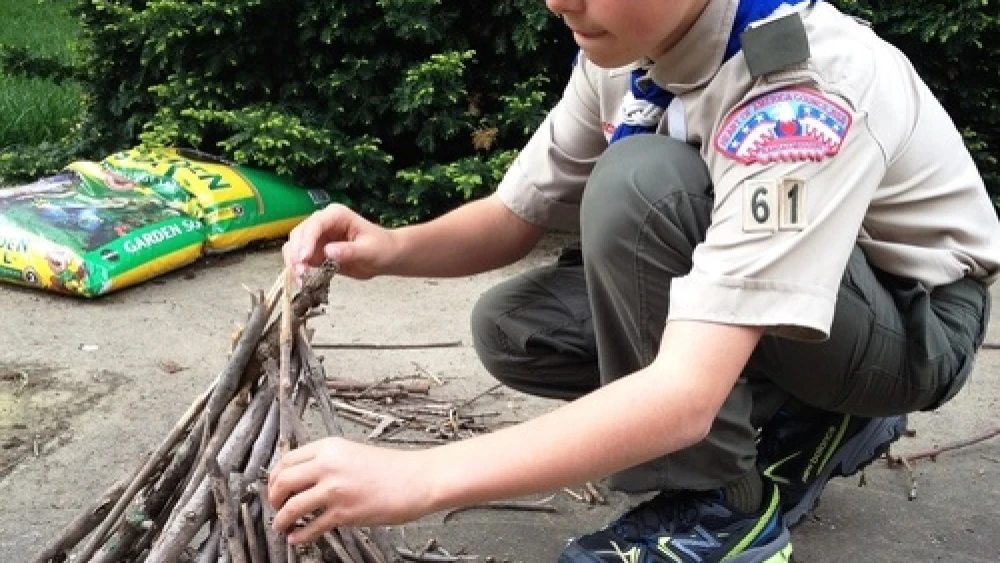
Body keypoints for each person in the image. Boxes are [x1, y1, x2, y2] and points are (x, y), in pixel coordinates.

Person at [268, 0, 1000, 560]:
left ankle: (722, 514)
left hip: (912, 322)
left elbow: (683, 396)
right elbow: (515, 213)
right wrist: (388, 245)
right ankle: (807, 418)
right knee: (515, 325)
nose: (556, 1)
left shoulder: (797, 88)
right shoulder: (629, 52)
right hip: (820, 303)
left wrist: (419, 479)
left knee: (641, 189)